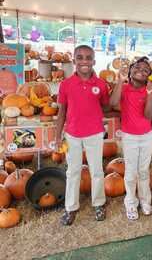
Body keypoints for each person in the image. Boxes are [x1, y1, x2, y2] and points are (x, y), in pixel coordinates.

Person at [56, 45, 110, 225]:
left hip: (94, 133)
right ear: (74, 61)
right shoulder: (66, 84)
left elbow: (105, 106)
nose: (84, 61)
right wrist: (58, 136)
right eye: (80, 57)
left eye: (88, 58)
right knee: (73, 171)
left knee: (97, 170)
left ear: (94, 61)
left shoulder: (101, 84)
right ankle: (71, 207)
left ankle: (99, 203)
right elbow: (62, 112)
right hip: (72, 135)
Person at [109, 57, 152, 221]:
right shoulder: (125, 88)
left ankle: (145, 201)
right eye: (137, 67)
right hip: (129, 137)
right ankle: (130, 203)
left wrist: (149, 94)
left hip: (146, 136)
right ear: (131, 70)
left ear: (149, 76)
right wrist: (120, 81)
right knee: (130, 172)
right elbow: (113, 103)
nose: (141, 70)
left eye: (145, 70)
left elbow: (149, 115)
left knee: (143, 171)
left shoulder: (149, 90)